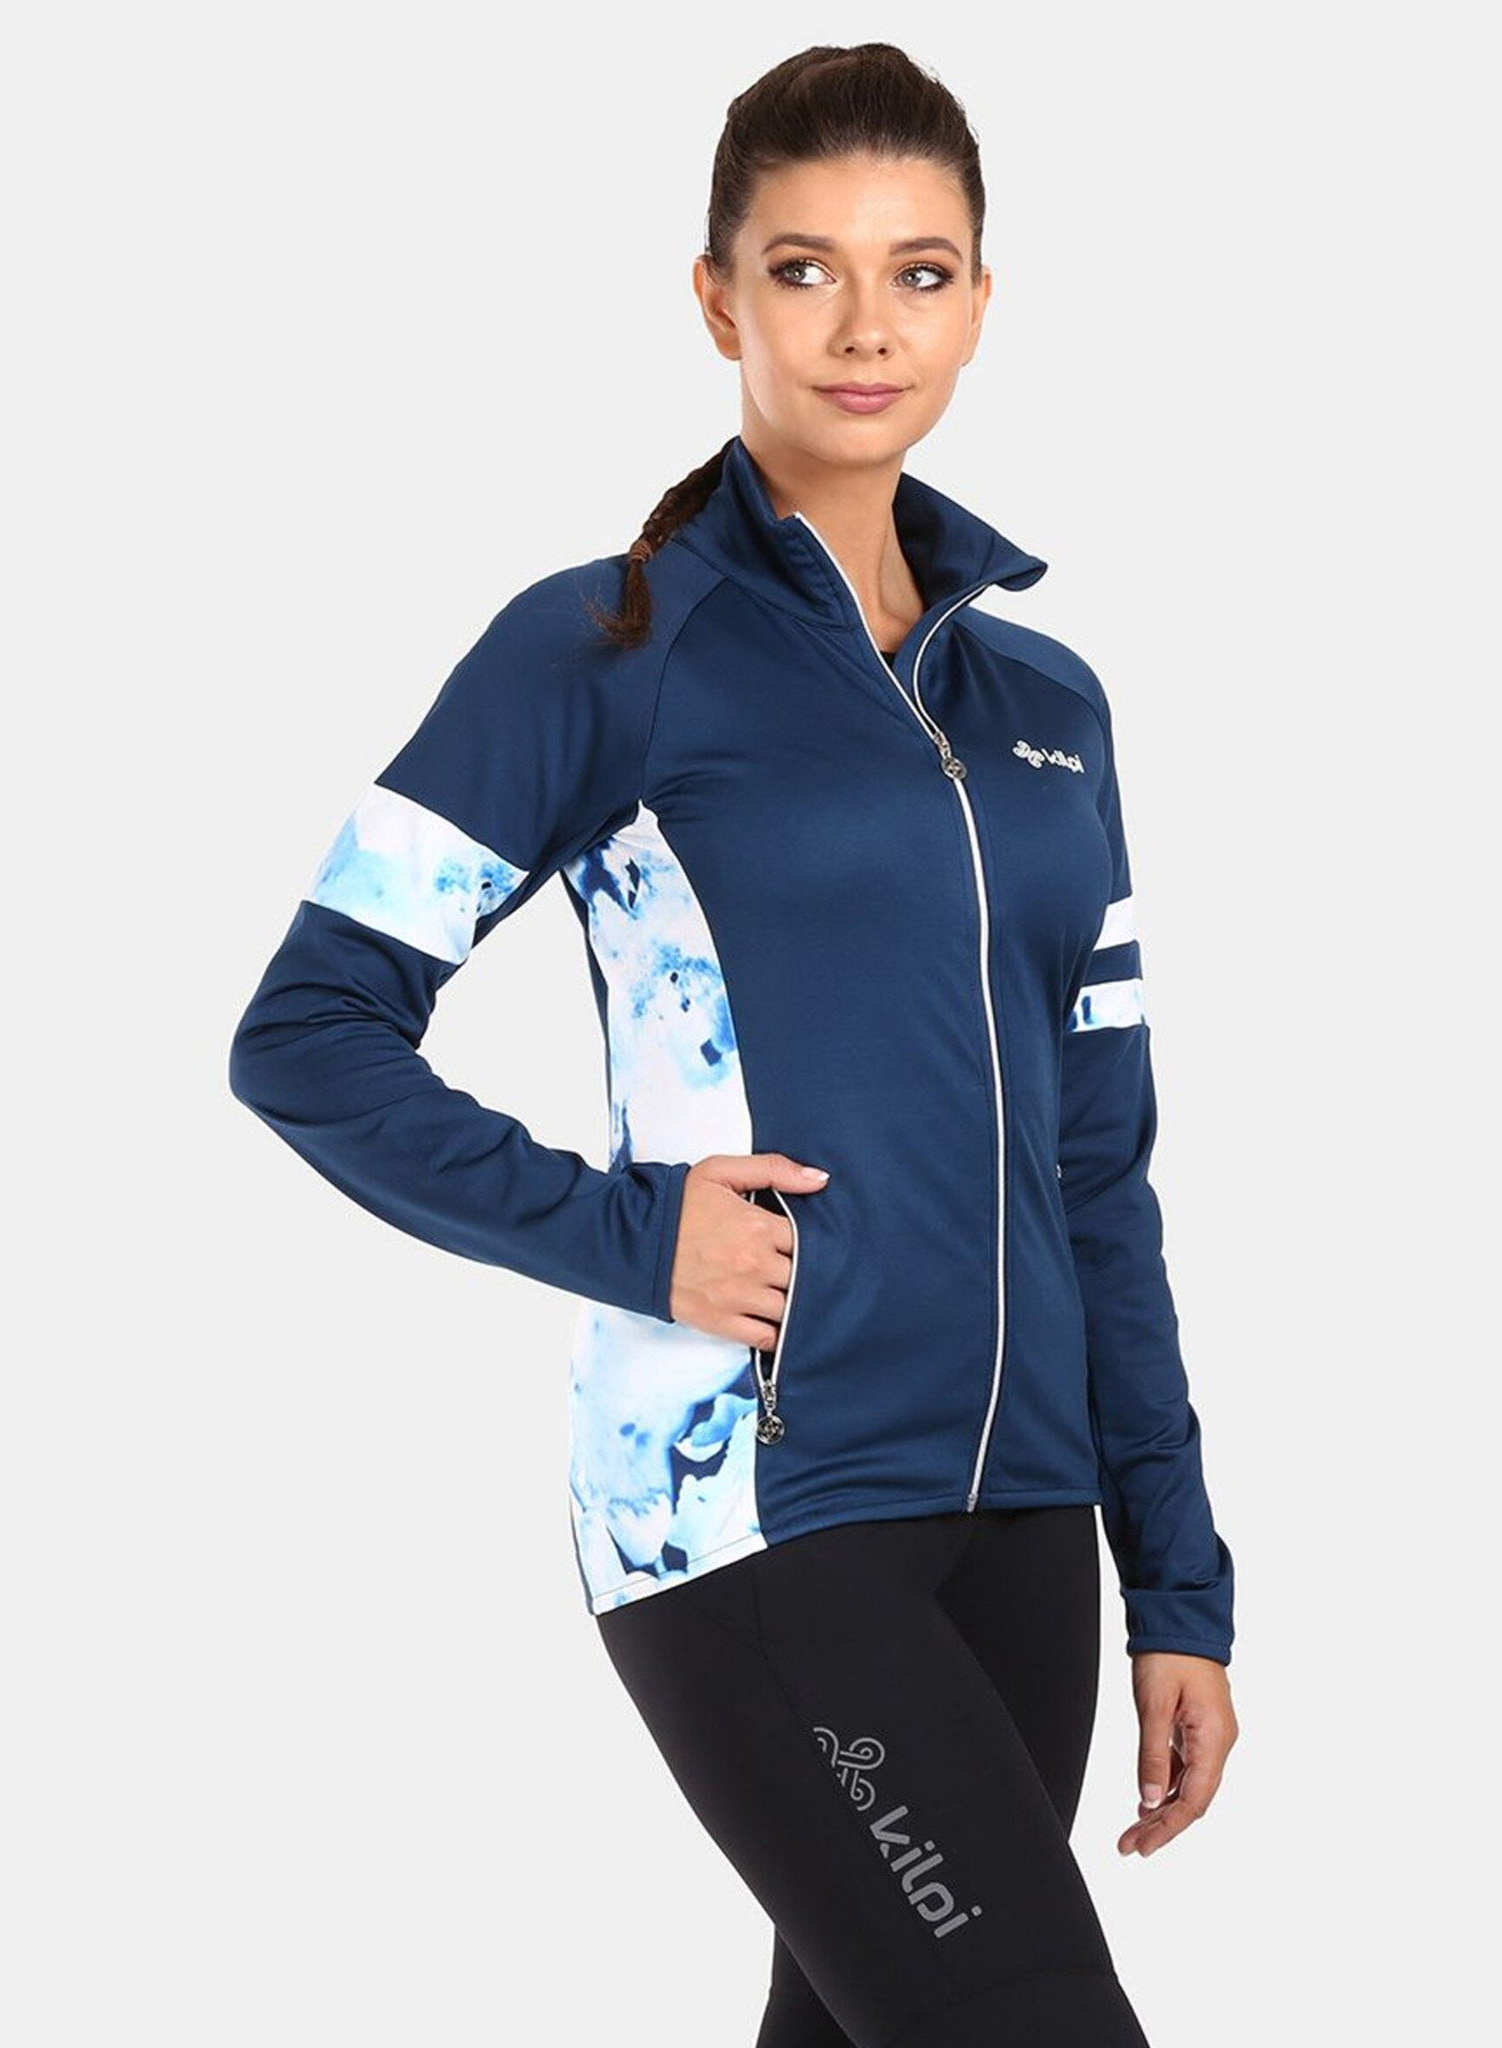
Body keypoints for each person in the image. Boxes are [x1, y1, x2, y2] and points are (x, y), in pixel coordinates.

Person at [229, 40, 1239, 2048]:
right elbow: (310, 1031)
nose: (867, 325)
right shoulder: (602, 650)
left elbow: (1097, 1174)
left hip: (1026, 1519)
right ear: (717, 299)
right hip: (756, 1502)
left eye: (919, 271)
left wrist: (1179, 1581)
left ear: (980, 300)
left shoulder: (1051, 709)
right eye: (805, 268)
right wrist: (637, 1234)